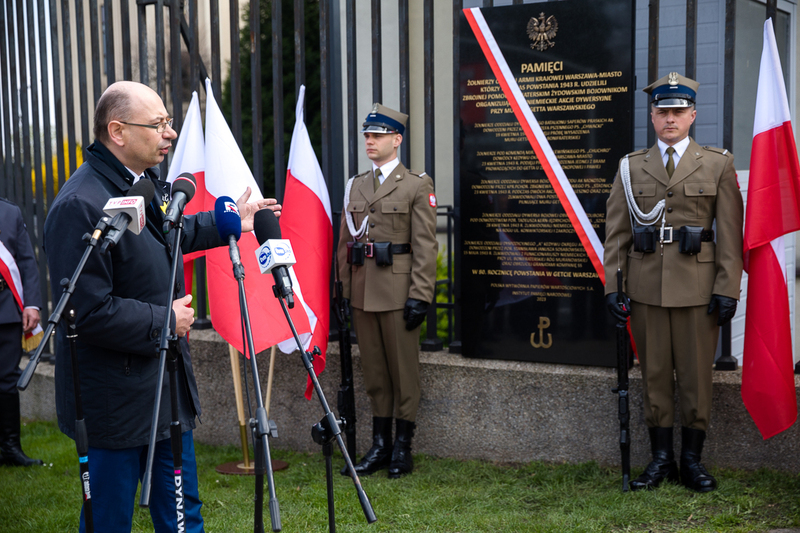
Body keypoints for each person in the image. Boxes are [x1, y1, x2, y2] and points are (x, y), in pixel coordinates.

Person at [44, 81, 280, 532]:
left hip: (164, 388)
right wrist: (165, 320)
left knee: (183, 517)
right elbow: (87, 313)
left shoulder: (140, 182)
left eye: (170, 122)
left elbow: (170, 235)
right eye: (158, 124)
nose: (169, 133)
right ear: (117, 131)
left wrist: (232, 222)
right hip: (113, 405)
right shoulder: (81, 203)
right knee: (109, 521)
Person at [603, 73, 743, 493]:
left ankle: (691, 461)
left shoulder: (717, 163)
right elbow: (616, 233)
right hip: (646, 288)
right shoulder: (631, 167)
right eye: (663, 111)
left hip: (697, 289)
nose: (670, 119)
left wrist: (726, 288)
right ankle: (661, 458)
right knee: (656, 375)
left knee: (698, 377)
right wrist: (614, 287)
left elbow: (731, 235)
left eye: (678, 111)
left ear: (692, 115)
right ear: (652, 116)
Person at [336, 103, 438, 478]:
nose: (370, 141)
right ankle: (379, 446)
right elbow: (347, 242)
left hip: (397, 293)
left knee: (403, 372)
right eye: (367, 135)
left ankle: (402, 447)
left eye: (377, 135)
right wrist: (344, 293)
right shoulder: (356, 185)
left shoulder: (415, 184)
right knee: (375, 373)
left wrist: (420, 295)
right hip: (363, 292)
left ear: (396, 140)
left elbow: (426, 246)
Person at [0, 198, 42, 467]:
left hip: (6, 311)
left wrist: (32, 304)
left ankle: (10, 447)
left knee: (6, 380)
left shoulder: (10, 212)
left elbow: (27, 261)